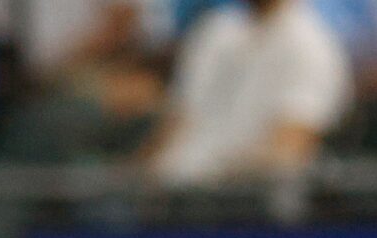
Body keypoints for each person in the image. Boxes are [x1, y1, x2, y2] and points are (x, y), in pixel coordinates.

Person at [142, 0, 352, 183]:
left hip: (246, 207)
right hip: (172, 198)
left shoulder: (314, 45)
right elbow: (175, 124)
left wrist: (212, 172)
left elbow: (289, 151)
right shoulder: (215, 29)